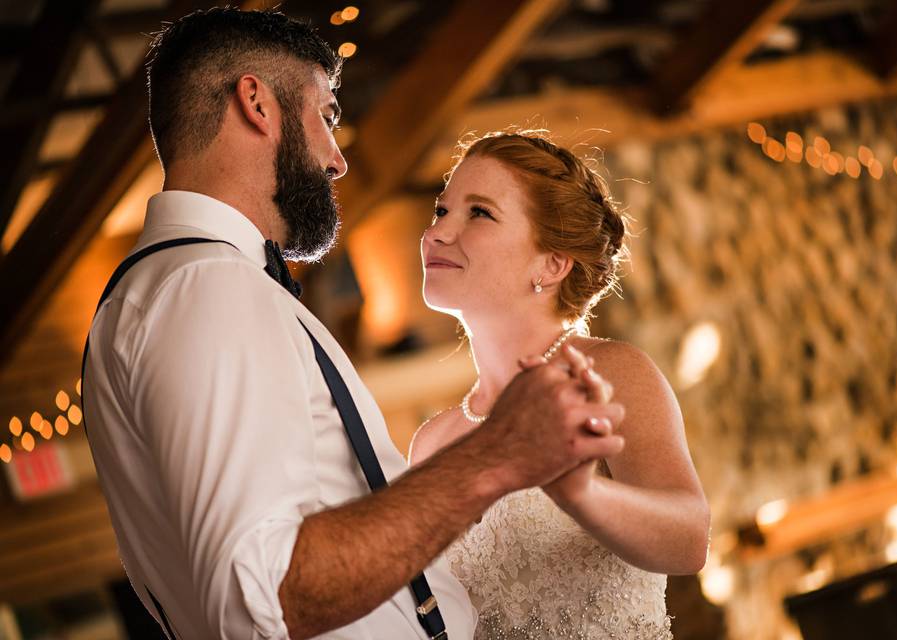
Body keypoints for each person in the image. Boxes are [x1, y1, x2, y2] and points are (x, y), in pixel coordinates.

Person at [81, 9, 627, 640]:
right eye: (327, 116)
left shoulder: (161, 294)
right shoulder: (207, 286)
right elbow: (261, 598)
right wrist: (497, 455)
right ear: (257, 102)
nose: (337, 161)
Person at [409, 131, 711, 639]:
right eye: (442, 211)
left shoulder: (611, 374)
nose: (436, 233)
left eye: (478, 213)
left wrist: (580, 494)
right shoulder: (430, 442)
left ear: (551, 263)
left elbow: (689, 540)